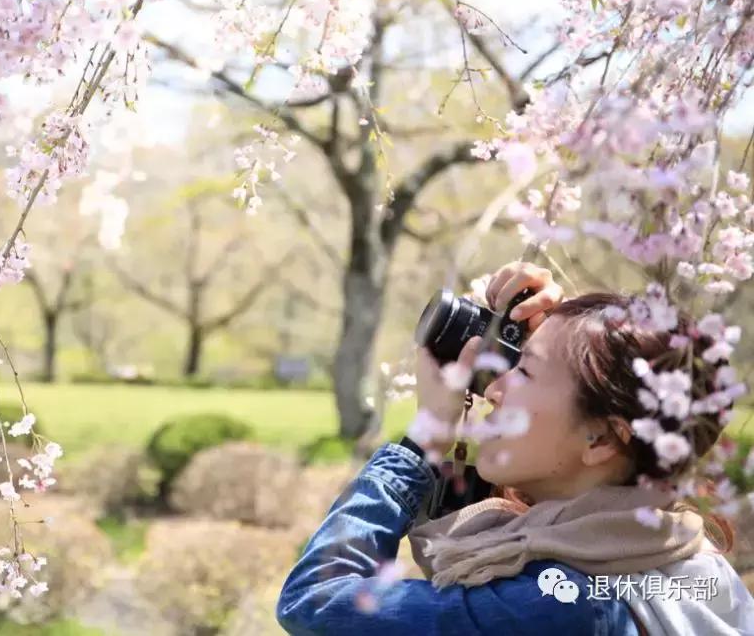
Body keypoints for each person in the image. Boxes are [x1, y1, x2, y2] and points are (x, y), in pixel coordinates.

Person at [277, 261, 754, 635]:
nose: (493, 389)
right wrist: (565, 339)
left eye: (522, 371)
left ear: (602, 438)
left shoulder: (560, 609)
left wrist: (423, 439)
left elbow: (315, 600)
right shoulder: (684, 560)